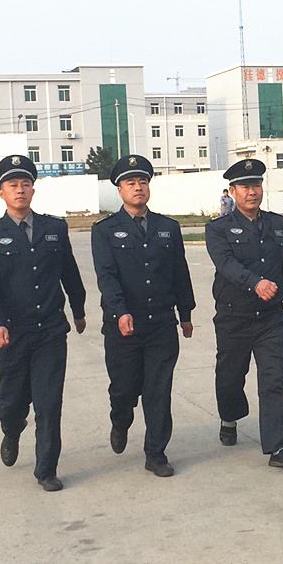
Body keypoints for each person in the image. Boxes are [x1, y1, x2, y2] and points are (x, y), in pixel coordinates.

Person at [0, 154, 86, 492]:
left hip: (50, 330)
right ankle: (11, 430)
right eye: (13, 185)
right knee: (12, 403)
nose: (20, 189)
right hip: (12, 333)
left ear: (33, 190)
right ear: (2, 193)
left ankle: (46, 470)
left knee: (49, 404)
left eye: (25, 184)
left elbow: (69, 272)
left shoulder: (55, 229)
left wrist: (78, 309)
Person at [91, 154, 196, 478]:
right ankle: (120, 420)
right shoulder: (105, 230)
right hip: (122, 327)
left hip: (161, 324)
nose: (138, 187)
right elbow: (106, 276)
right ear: (119, 190)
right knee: (123, 389)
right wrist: (120, 311)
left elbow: (179, 272)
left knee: (158, 391)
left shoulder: (168, 228)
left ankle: (156, 453)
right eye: (130, 183)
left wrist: (185, 313)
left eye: (143, 181)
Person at [205, 158, 283, 468]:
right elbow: (226, 264)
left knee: (274, 379)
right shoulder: (217, 229)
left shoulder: (278, 224)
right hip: (233, 316)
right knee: (230, 378)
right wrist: (255, 282)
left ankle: (279, 447)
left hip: (270, 317)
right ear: (233, 191)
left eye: (256, 185)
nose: (252, 192)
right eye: (245, 187)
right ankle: (229, 416)